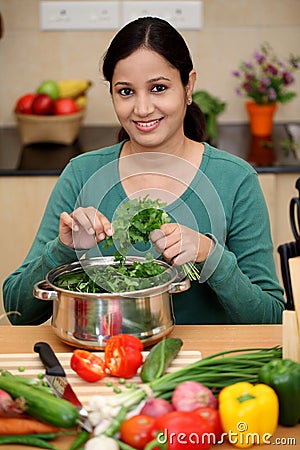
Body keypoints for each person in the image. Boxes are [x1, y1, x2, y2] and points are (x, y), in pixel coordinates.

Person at [3, 17, 285, 325]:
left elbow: (271, 319)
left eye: (159, 88)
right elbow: (18, 310)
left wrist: (211, 255)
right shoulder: (81, 174)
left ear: (188, 86)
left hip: (201, 369)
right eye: (126, 91)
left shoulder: (235, 180)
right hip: (103, 366)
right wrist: (63, 250)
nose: (142, 108)